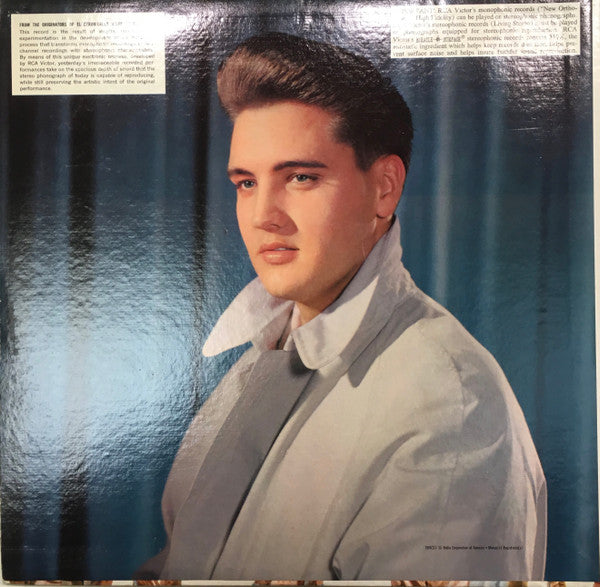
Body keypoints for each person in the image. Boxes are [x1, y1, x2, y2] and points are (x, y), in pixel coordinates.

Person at [137, 32, 546, 581]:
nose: (262, 216)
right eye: (246, 182)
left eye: (300, 177)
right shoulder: (258, 357)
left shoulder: (451, 407)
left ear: (384, 188)